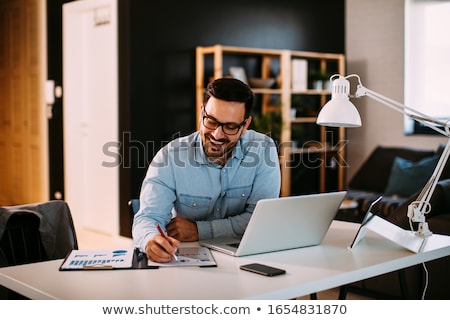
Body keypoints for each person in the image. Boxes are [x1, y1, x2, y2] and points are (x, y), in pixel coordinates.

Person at [132, 77, 281, 262]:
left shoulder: (263, 149)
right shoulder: (170, 156)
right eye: (211, 121)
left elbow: (259, 219)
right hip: (187, 261)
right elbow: (148, 218)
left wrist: (199, 230)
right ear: (201, 111)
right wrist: (150, 240)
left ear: (245, 125)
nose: (217, 134)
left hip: (246, 257)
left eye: (231, 127)